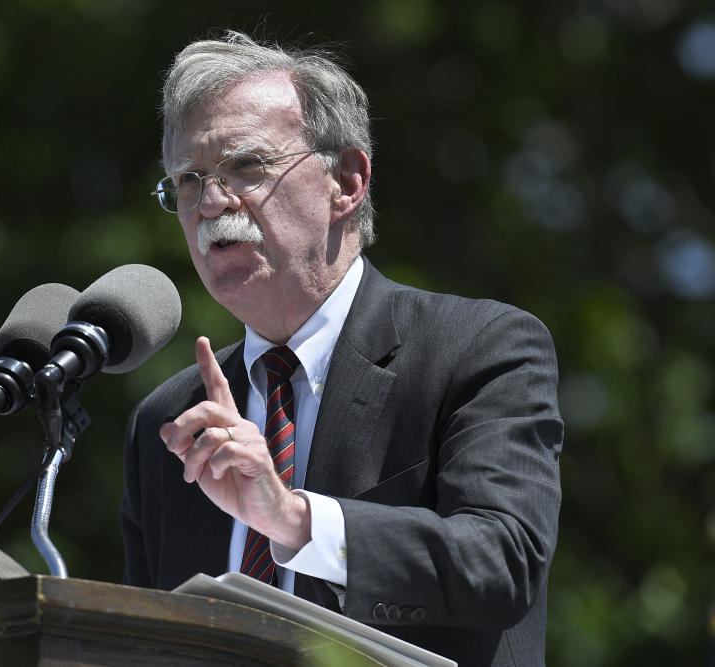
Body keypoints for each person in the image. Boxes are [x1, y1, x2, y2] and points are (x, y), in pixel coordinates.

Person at [120, 30, 563, 667]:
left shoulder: (479, 349)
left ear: (347, 182)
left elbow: (503, 563)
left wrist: (295, 520)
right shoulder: (167, 423)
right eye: (189, 180)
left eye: (247, 166)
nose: (213, 203)